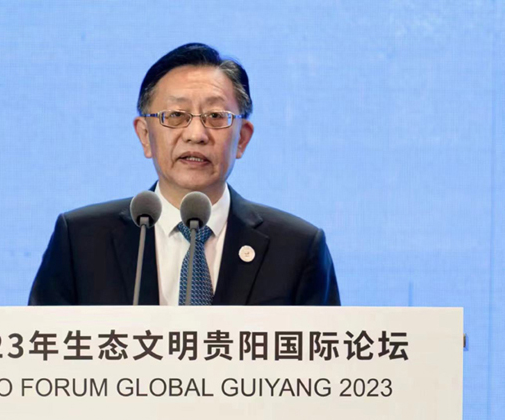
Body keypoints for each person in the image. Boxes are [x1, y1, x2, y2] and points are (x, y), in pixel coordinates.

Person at [29, 43, 340, 306]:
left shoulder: (297, 248)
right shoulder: (81, 241)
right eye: (176, 116)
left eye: (216, 116)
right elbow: (41, 351)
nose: (196, 134)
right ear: (144, 135)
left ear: (242, 139)